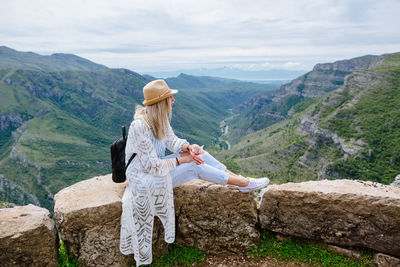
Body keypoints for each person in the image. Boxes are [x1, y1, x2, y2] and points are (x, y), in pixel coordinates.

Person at [119, 79, 269, 266]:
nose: (173, 101)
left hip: (155, 171)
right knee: (193, 166)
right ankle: (245, 184)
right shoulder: (140, 126)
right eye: (169, 97)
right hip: (144, 178)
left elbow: (172, 141)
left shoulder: (159, 119)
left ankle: (234, 178)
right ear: (160, 102)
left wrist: (188, 147)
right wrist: (184, 160)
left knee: (200, 153)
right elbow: (152, 166)